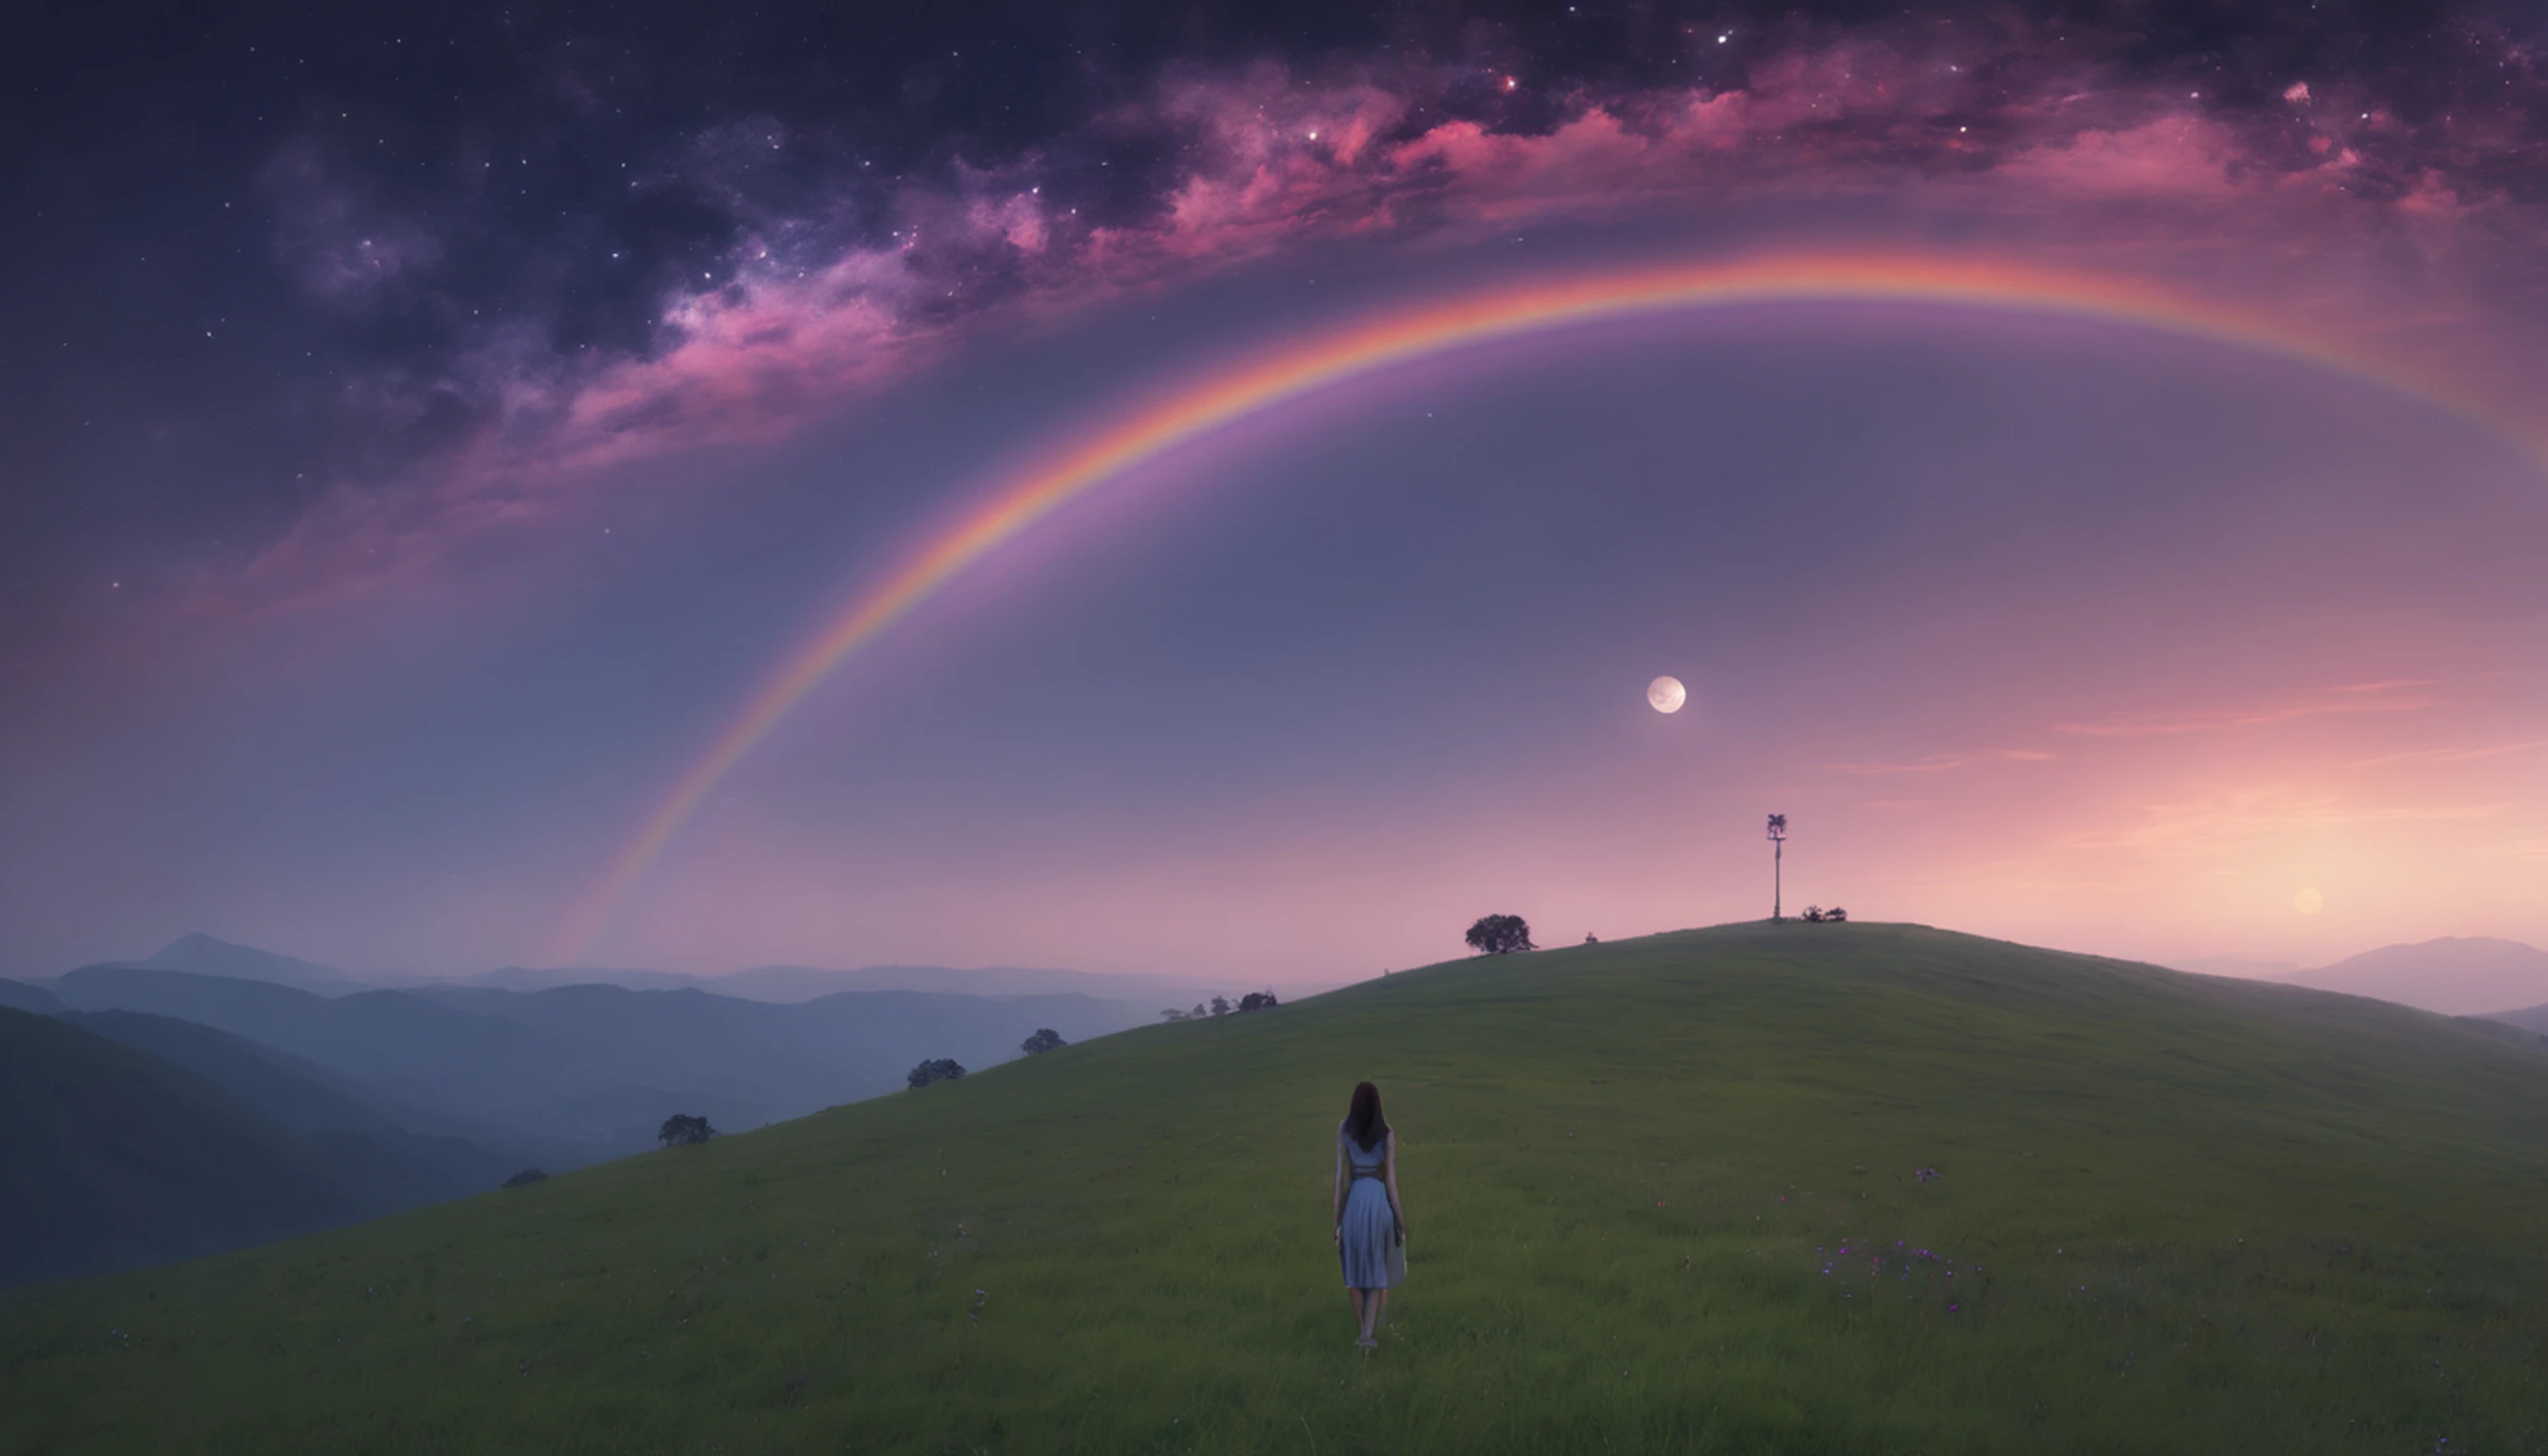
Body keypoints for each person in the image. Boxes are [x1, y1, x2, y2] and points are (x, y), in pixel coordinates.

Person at [1332, 1081, 1407, 1349]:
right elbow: (1392, 1183)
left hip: (1355, 1201)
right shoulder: (1386, 1135)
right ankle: (1368, 1334)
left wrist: (1336, 1220)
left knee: (1352, 1268)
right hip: (1378, 1201)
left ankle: (1362, 1329)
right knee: (1376, 1270)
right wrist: (1400, 1220)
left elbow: (1341, 1179)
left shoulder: (1344, 1130)